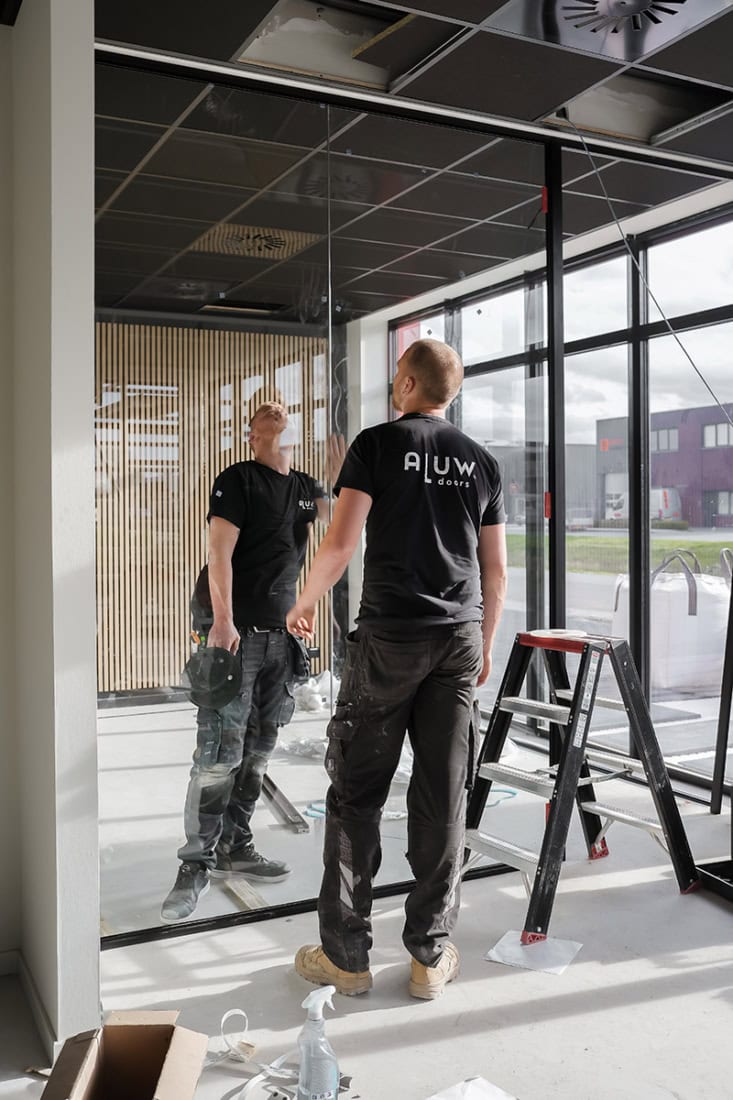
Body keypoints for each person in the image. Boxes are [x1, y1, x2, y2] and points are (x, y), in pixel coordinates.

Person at [286, 338, 507, 1000]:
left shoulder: (377, 445)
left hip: (390, 639)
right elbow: (495, 570)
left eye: (395, 379)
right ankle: (428, 957)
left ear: (408, 384)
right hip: (458, 639)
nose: (392, 388)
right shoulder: (481, 462)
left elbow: (340, 543)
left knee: (356, 795)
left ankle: (347, 959)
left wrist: (303, 602)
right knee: (443, 796)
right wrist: (484, 643)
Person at [161, 401, 331, 923]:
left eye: (282, 414)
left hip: (281, 635)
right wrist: (222, 621)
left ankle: (236, 845)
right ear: (252, 435)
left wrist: (340, 476)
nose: (274, 414)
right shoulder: (237, 480)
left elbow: (341, 526)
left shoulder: (305, 488)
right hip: (232, 633)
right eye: (263, 416)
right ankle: (195, 864)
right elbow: (219, 553)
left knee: (258, 749)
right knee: (218, 752)